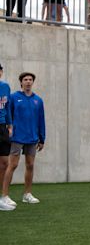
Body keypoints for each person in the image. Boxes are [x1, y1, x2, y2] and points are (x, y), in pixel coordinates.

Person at [2, 72, 45, 205]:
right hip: (17, 137)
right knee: (12, 165)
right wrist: (9, 129)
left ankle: (27, 194)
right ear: (21, 82)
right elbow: (8, 114)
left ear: (33, 82)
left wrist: (42, 138)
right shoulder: (14, 97)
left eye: (30, 79)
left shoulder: (38, 100)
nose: (28, 82)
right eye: (25, 79)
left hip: (32, 138)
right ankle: (4, 196)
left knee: (30, 165)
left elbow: (41, 120)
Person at [0, 63, 14, 211]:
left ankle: (2, 197)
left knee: (4, 163)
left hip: (3, 127)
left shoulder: (5, 86)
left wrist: (10, 125)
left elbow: (7, 106)